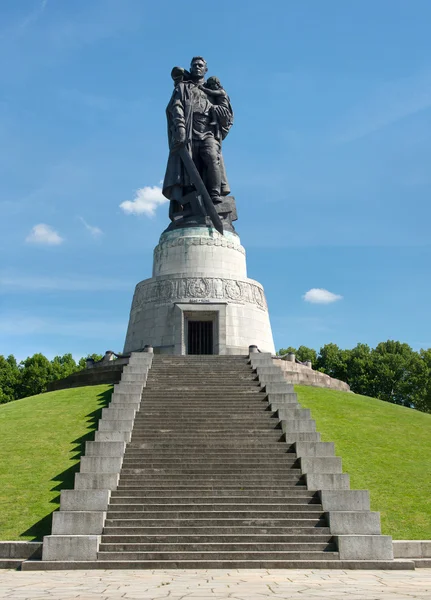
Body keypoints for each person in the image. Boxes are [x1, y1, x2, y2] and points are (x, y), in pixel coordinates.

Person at [162, 57, 233, 217]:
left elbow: (227, 113)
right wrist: (180, 127)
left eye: (200, 65)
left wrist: (217, 110)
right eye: (194, 65)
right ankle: (190, 204)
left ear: (205, 69)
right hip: (188, 130)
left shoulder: (213, 89)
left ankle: (214, 194)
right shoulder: (183, 87)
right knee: (189, 167)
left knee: (211, 156)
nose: (197, 67)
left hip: (208, 130)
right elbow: (176, 106)